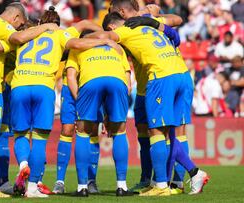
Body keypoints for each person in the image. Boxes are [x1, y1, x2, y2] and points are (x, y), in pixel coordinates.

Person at [88, 1, 209, 195]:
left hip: (160, 78)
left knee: (156, 133)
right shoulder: (149, 22)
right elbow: (176, 23)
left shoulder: (126, 29)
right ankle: (178, 180)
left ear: (116, 18)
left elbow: (104, 35)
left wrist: (81, 38)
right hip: (182, 73)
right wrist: (151, 16)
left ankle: (163, 184)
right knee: (173, 133)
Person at [10, 6, 117, 198]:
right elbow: (78, 41)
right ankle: (33, 187)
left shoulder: (24, 34)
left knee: (21, 135)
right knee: (41, 139)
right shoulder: (61, 34)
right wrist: (105, 39)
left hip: (19, 85)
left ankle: (24, 165)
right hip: (43, 86)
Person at [0, 2, 60, 198]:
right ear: (15, 18)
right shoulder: (4, 27)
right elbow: (19, 37)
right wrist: (47, 26)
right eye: (19, 23)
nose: (18, 27)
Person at [105, 2, 182, 193]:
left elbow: (177, 20)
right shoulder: (136, 24)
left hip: (158, 81)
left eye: (112, 12)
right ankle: (147, 178)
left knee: (164, 133)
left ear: (121, 11)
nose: (110, 16)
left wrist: (154, 18)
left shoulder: (137, 24)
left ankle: (168, 179)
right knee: (144, 135)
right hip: (143, 88)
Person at [66, 29, 132, 197]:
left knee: (82, 132)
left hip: (91, 81)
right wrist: (113, 113)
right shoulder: (116, 47)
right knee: (119, 131)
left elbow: (71, 77)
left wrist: (79, 100)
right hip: (118, 82)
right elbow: (127, 81)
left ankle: (82, 187)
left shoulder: (78, 47)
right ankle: (122, 186)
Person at [52, 19, 106, 195]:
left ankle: (91, 180)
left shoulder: (98, 52)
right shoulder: (75, 49)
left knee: (92, 131)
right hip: (72, 92)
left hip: (91, 92)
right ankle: (60, 181)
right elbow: (70, 76)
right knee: (67, 130)